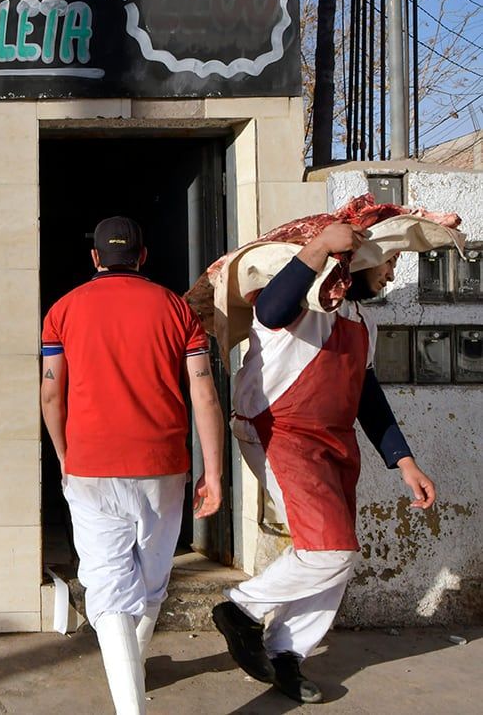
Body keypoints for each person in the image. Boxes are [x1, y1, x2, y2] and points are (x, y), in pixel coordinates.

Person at [212, 222, 437, 705]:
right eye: (390, 262)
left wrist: (404, 461)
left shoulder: (362, 320)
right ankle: (240, 609)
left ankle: (287, 653)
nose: (392, 276)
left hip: (334, 443)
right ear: (360, 258)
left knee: (338, 555)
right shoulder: (304, 302)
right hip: (279, 432)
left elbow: (368, 396)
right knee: (328, 550)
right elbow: (271, 308)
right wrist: (318, 247)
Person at [41, 216, 225, 715]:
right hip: (164, 466)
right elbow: (204, 392)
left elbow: (51, 392)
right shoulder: (177, 311)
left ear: (96, 258)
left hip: (92, 466)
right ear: (143, 256)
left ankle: (130, 700)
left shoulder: (62, 311)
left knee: (110, 588)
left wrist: (63, 454)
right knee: (149, 584)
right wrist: (214, 471)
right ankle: (131, 673)